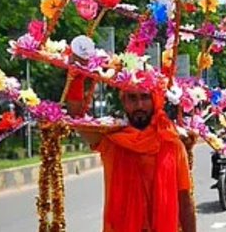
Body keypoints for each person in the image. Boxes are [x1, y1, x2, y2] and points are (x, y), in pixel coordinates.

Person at [72, 89, 196, 232]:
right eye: (132, 98)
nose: (139, 105)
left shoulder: (173, 146)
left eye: (145, 97)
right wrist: (77, 77)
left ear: (155, 101)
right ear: (124, 102)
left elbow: (185, 201)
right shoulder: (112, 142)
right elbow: (76, 119)